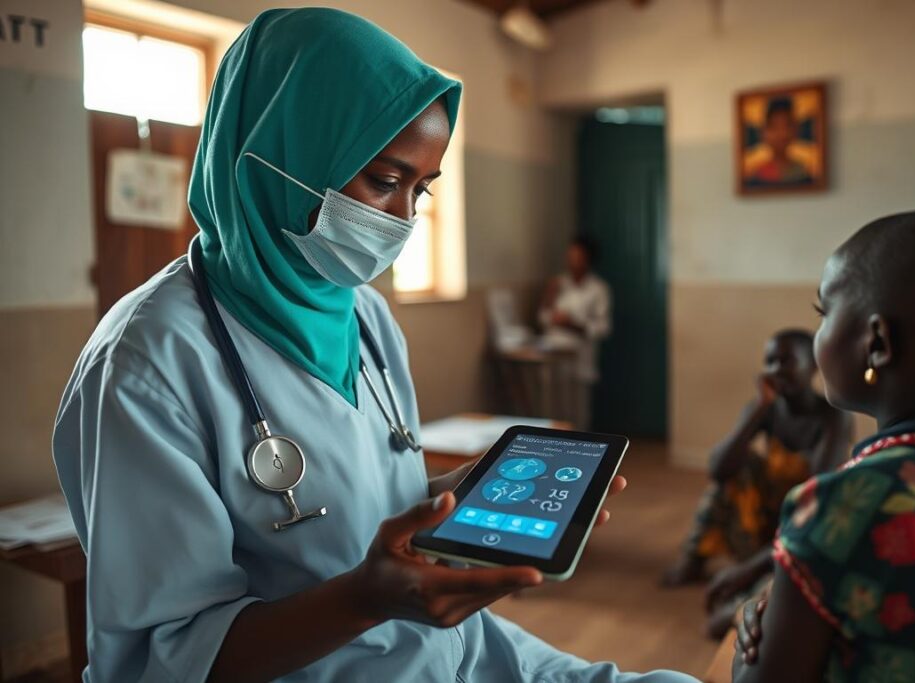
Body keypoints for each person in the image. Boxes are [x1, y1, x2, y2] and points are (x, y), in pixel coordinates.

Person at [51, 9, 698, 682]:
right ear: (278, 153)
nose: (404, 219)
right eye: (386, 182)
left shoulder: (363, 315)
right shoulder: (146, 365)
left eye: (422, 189)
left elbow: (368, 502)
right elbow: (161, 661)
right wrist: (363, 598)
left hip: (449, 652)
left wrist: (452, 496)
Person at [733, 208, 915, 682]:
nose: (819, 332)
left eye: (824, 313)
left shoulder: (844, 504)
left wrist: (754, 624)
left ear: (877, 344)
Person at [662, 329, 852, 638]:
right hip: (762, 526)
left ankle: (755, 584)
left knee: (729, 618)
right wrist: (761, 407)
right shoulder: (765, 407)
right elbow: (718, 469)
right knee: (740, 465)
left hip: (798, 533)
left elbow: (814, 500)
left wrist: (757, 565)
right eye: (770, 361)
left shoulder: (832, 417)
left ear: (814, 366)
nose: (776, 370)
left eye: (787, 361)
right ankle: (696, 559)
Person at [538, 235, 612, 429]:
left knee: (579, 412)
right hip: (555, 354)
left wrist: (572, 324)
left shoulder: (598, 289)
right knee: (555, 409)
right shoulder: (559, 284)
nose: (573, 261)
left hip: (580, 357)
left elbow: (602, 328)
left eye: (578, 257)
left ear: (588, 259)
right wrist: (549, 298)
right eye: (570, 256)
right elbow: (544, 319)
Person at [747, 97, 812, 187]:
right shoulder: (757, 174)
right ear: (763, 132)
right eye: (774, 127)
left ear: (796, 130)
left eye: (787, 125)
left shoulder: (802, 172)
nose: (782, 134)